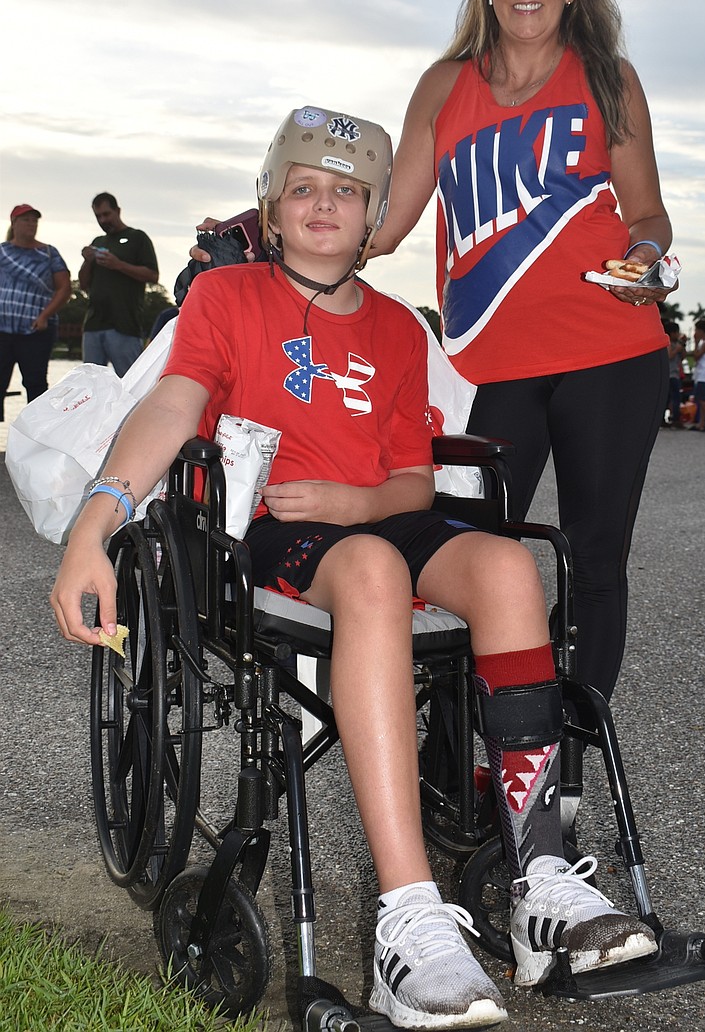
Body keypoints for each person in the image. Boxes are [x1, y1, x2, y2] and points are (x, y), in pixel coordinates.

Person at [51, 106, 657, 1030]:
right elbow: (173, 408)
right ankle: (406, 917)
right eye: (303, 187)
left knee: (506, 568)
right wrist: (96, 525)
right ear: (272, 203)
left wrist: (358, 502)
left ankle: (540, 880)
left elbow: (413, 481)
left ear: (375, 214)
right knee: (373, 568)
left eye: (346, 191)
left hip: (368, 515)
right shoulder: (227, 298)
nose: (323, 204)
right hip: (274, 526)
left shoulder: (396, 330)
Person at [191, 0, 674, 702]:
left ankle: (564, 771)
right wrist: (265, 230)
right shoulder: (446, 87)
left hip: (612, 350)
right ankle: (468, 753)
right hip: (488, 364)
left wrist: (648, 255)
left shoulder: (608, 80)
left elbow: (647, 210)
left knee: (594, 558)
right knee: (464, 554)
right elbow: (381, 229)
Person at [0, 204, 71, 420]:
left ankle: (38, 438)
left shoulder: (48, 253)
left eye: (34, 220)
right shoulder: (3, 251)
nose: (31, 224)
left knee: (35, 383)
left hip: (35, 331)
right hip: (2, 330)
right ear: (13, 223)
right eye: (26, 220)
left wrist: (44, 316)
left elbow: (65, 288)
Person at [79, 193, 158, 376]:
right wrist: (87, 261)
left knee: (131, 384)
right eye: (98, 216)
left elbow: (153, 275)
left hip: (125, 326)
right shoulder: (98, 242)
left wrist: (119, 265)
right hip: (93, 325)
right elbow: (83, 284)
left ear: (118, 211)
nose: (103, 220)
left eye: (106, 214)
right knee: (89, 388)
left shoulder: (138, 238)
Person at [662, 319, 685, 427]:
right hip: (670, 375)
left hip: (675, 374)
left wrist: (682, 346)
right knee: (669, 398)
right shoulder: (668, 343)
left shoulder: (677, 343)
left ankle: (675, 417)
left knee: (675, 398)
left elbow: (682, 358)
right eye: (676, 332)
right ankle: (671, 419)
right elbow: (669, 356)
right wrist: (677, 349)